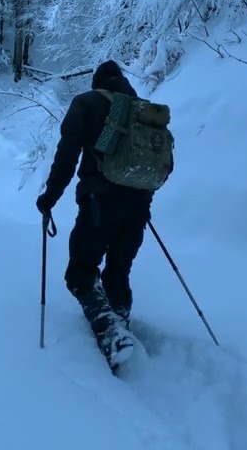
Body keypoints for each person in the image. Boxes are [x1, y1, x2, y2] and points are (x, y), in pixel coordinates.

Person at [35, 60, 157, 327]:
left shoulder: (86, 103)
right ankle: (121, 322)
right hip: (139, 204)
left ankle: (111, 334)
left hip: (99, 202)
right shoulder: (143, 109)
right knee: (119, 273)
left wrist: (49, 198)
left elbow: (67, 155)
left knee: (79, 273)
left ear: (97, 83)